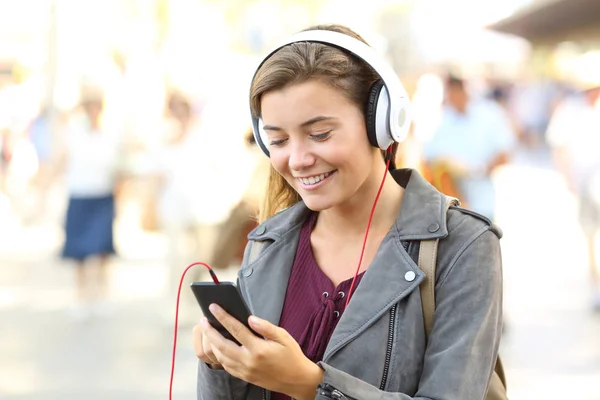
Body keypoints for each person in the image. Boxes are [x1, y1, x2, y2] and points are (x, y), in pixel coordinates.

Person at [193, 24, 503, 399]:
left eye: (320, 134)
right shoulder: (266, 244)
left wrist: (308, 384)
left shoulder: (463, 247)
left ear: (382, 122)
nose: (298, 159)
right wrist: (217, 361)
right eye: (277, 140)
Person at [59, 87, 123, 318]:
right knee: (79, 251)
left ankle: (102, 294)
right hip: (80, 194)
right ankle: (81, 296)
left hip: (102, 194)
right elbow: (62, 161)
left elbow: (117, 166)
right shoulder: (73, 133)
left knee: (101, 248)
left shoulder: (109, 134)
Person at [422, 74, 515, 221]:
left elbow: (504, 153)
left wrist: (479, 169)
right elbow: (429, 157)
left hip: (482, 205)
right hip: (453, 209)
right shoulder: (445, 120)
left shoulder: (489, 114)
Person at [546, 74, 600, 311]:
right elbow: (559, 145)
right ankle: (596, 286)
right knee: (589, 234)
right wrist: (567, 177)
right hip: (584, 180)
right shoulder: (570, 110)